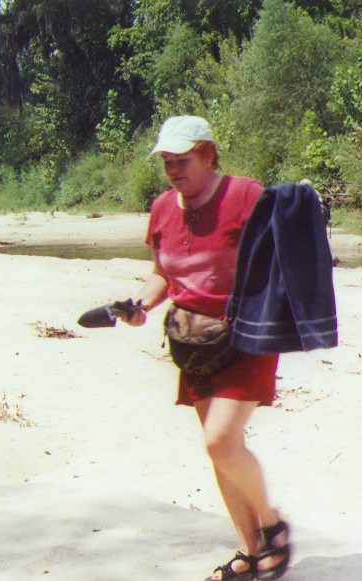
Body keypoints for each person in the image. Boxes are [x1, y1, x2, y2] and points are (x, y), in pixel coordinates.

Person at [122, 116, 291, 581]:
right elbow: (162, 272)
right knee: (221, 450)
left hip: (246, 337)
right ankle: (249, 550)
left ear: (208, 154)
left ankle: (274, 528)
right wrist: (142, 304)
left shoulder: (244, 195)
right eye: (167, 163)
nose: (174, 170)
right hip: (194, 342)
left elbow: (285, 254)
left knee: (219, 441)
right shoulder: (161, 208)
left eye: (183, 160)